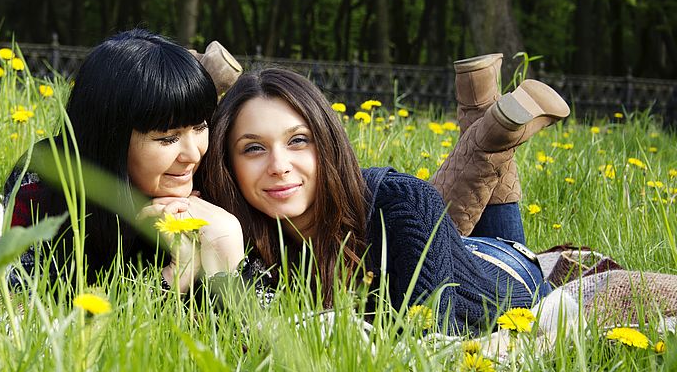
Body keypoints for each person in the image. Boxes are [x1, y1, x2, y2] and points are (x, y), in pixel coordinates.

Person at [197, 65, 571, 332]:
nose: (278, 165)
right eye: (253, 148)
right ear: (227, 164)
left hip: (503, 272)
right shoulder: (232, 227)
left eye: (298, 140)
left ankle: (488, 128)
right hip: (423, 234)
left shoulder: (402, 202)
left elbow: (434, 341)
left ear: (327, 143)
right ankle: (485, 116)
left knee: (416, 209)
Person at [1, 28, 244, 292]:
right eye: (167, 139)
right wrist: (176, 274)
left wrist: (225, 238)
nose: (194, 154)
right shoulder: (44, 179)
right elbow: (26, 303)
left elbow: (241, 325)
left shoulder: (218, 172)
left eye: (199, 127)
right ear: (111, 137)